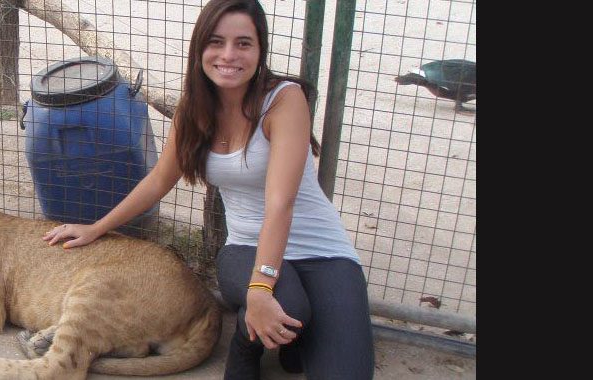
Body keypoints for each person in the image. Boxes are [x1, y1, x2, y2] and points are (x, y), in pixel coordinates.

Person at [41, 0, 374, 378]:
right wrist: (97, 227)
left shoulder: (283, 100)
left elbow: (281, 203)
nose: (229, 55)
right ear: (200, 48)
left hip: (322, 250)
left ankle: (292, 340)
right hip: (246, 247)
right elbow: (158, 181)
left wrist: (262, 289)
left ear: (260, 50)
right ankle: (248, 346)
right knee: (292, 308)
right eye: (217, 42)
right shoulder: (194, 111)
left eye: (243, 43)